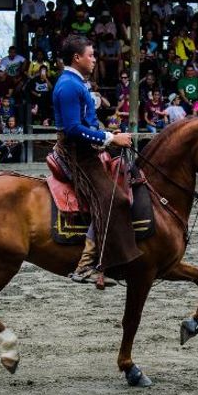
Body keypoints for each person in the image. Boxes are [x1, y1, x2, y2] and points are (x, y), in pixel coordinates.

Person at [52, 34, 141, 287]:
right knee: (111, 198)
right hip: (77, 153)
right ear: (76, 57)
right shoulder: (69, 85)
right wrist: (111, 138)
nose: (94, 60)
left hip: (86, 149)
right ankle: (85, 266)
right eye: (90, 55)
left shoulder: (75, 82)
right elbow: (72, 129)